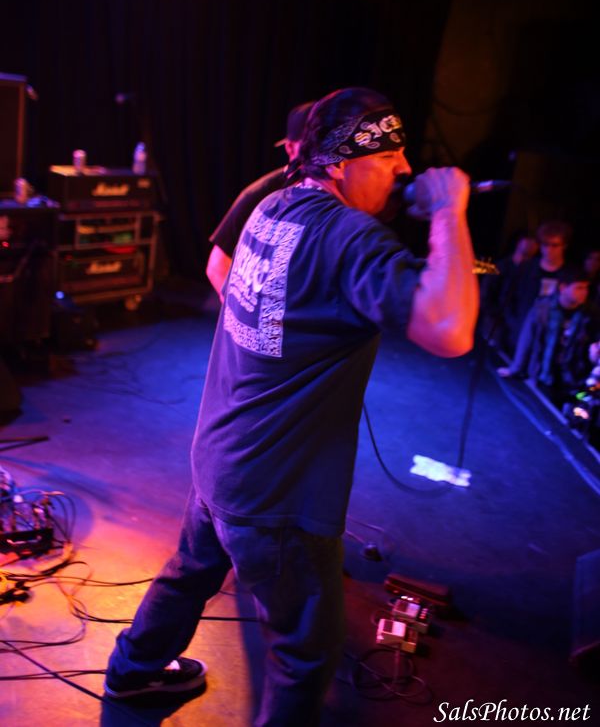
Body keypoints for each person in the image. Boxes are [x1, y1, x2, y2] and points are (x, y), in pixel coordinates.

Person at [104, 87, 479, 725]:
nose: (405, 167)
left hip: (221, 456)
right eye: (388, 153)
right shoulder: (350, 239)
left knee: (190, 573)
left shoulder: (271, 205)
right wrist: (448, 212)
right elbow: (450, 330)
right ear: (341, 163)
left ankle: (130, 675)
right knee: (306, 654)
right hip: (279, 494)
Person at [206, 101, 313, 300]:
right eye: (312, 145)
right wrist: (241, 310)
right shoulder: (260, 194)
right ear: (290, 148)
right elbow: (217, 265)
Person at [497, 267, 598, 403]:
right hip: (543, 375)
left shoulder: (589, 314)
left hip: (571, 380)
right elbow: (527, 339)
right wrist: (515, 368)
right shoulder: (543, 308)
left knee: (574, 405)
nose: (584, 292)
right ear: (563, 287)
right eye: (579, 288)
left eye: (586, 288)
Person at [499, 220, 572, 354]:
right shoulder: (526, 268)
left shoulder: (570, 275)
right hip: (517, 334)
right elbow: (507, 299)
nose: (549, 250)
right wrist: (513, 324)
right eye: (545, 245)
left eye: (554, 245)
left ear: (564, 246)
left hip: (550, 341)